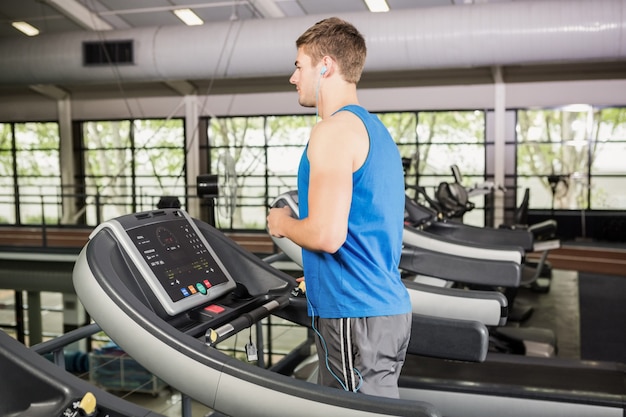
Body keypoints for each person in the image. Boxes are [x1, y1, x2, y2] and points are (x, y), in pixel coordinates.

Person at [266, 17, 411, 399]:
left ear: (325, 66)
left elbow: (327, 236)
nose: (293, 78)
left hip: (354, 313)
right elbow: (365, 225)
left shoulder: (331, 132)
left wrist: (282, 222)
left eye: (299, 66)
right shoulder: (374, 131)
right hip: (380, 309)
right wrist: (315, 278)